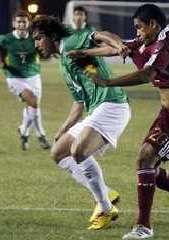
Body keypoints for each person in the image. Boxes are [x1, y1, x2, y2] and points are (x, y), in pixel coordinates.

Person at [74, 4, 169, 239]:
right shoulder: (147, 40)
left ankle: (144, 227)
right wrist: (85, 53)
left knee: (145, 158)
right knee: (148, 166)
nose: (136, 31)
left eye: (139, 27)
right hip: (168, 114)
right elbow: (118, 48)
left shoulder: (167, 43)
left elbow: (148, 75)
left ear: (154, 24)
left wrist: (107, 82)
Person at [32, 15, 131, 230]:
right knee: (58, 153)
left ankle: (104, 207)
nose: (36, 44)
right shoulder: (63, 62)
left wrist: (119, 45)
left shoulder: (71, 42)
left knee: (79, 151)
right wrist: (64, 128)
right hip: (97, 109)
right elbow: (79, 102)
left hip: (112, 105)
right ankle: (105, 192)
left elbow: (102, 35)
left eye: (38, 38)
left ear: (51, 36)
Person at [0, 11, 51, 151]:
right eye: (18, 22)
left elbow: (46, 54)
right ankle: (41, 136)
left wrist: (46, 51)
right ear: (14, 24)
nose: (21, 24)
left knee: (33, 107)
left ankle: (24, 132)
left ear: (29, 24)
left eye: (24, 22)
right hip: (14, 78)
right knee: (32, 100)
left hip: (34, 77)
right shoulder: (5, 39)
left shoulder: (36, 38)